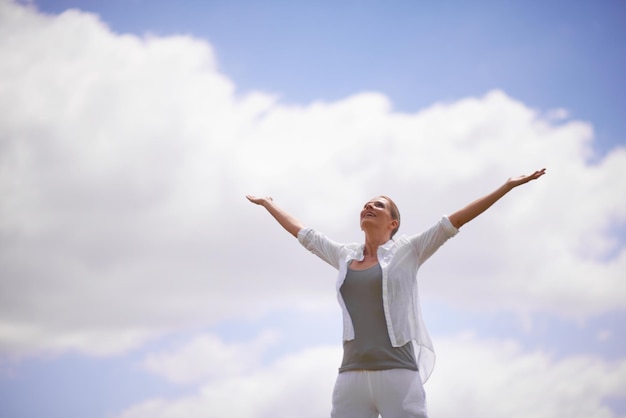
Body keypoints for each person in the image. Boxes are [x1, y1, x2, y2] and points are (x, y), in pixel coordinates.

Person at [246, 168, 546, 418]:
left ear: (393, 223)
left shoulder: (410, 250)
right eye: (365, 205)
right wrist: (269, 204)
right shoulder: (344, 256)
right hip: (350, 377)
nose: (368, 207)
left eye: (377, 205)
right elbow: (305, 234)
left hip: (398, 376)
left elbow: (456, 220)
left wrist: (506, 187)